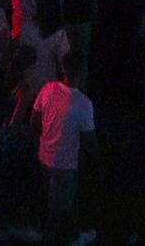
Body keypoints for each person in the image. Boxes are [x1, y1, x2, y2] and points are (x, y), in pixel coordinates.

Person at [29, 71, 96, 238]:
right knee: (59, 209)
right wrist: (97, 160)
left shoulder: (47, 89)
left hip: (44, 157)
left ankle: (48, 233)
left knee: (49, 200)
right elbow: (90, 140)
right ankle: (51, 238)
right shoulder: (83, 103)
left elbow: (34, 121)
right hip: (65, 165)